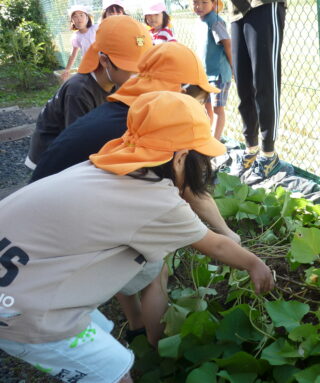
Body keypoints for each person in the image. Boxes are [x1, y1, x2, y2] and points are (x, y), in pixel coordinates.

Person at [0, 90, 274, 383]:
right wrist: (255, 265)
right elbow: (215, 244)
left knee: (101, 332)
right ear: (181, 158)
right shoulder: (157, 200)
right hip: (23, 310)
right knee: (115, 372)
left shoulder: (102, 165)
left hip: (18, 278)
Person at [30, 42, 240, 347]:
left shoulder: (126, 109)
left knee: (130, 250)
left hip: (47, 212)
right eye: (197, 99)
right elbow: (190, 192)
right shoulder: (155, 123)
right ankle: (160, 347)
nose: (199, 107)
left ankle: (137, 326)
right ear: (179, 91)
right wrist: (227, 234)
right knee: (155, 266)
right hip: (57, 240)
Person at [24, 15, 151, 169]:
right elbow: (78, 142)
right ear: (104, 61)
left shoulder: (117, 81)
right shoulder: (78, 91)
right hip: (51, 159)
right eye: (131, 69)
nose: (137, 76)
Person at [229, 0, 286, 183]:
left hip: (262, 5)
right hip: (237, 11)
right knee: (243, 85)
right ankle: (251, 150)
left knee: (265, 83)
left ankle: (269, 155)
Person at [193, 0, 233, 141]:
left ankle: (215, 140)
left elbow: (227, 44)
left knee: (218, 109)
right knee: (206, 106)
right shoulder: (200, 22)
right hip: (204, 74)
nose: (199, 6)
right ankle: (208, 136)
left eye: (204, 2)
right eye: (195, 2)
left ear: (214, 4)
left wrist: (233, 68)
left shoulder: (214, 22)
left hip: (218, 74)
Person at [61, 4, 98, 82]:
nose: (79, 19)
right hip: (88, 66)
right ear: (72, 21)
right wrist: (67, 69)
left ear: (87, 18)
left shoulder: (96, 29)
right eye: (75, 16)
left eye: (81, 15)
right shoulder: (76, 36)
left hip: (102, 63)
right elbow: (73, 55)